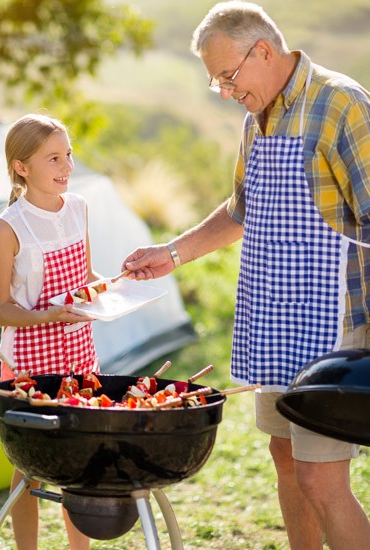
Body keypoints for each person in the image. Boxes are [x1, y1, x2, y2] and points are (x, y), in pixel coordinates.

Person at [121, 3, 370, 549]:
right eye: (217, 84)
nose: (227, 92)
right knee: (285, 460)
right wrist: (173, 252)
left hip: (334, 328)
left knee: (322, 479)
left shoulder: (341, 104)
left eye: (229, 77)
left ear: (263, 50)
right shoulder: (256, 117)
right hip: (276, 321)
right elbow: (241, 209)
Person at [0, 113, 103, 550]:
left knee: (80, 458)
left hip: (79, 353)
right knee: (30, 466)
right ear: (22, 167)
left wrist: (111, 288)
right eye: (54, 158)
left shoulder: (79, 208)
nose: (67, 167)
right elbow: (0, 309)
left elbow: (85, 274)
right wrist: (50, 316)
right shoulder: (8, 228)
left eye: (68, 155)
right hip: (27, 363)